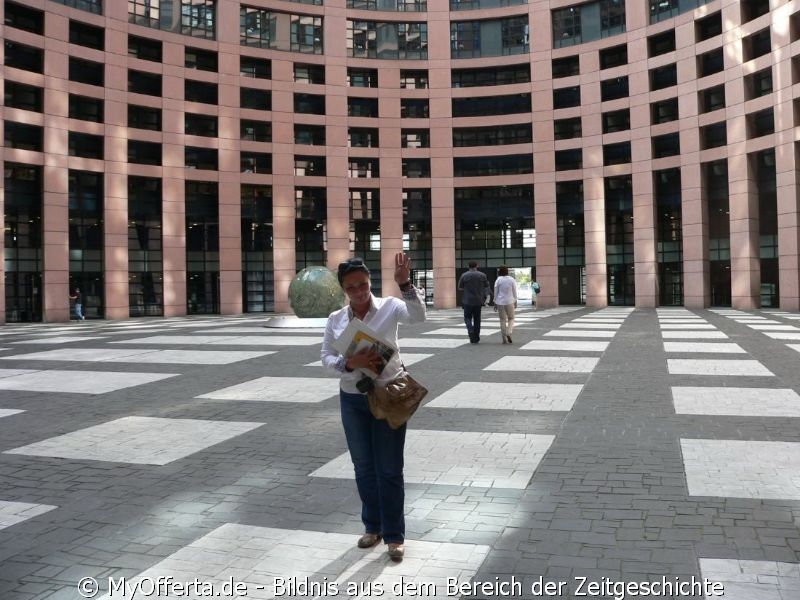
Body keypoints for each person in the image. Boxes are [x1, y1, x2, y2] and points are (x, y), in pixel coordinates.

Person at [321, 252, 426, 561]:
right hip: (352, 398)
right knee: (363, 466)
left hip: (387, 395)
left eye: (363, 284)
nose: (359, 291)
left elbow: (419, 317)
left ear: (370, 282)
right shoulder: (336, 319)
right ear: (344, 289)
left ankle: (395, 536)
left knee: (390, 468)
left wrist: (405, 283)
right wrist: (346, 362)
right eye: (352, 287)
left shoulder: (390, 307)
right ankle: (373, 527)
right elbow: (326, 356)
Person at [457, 261, 489, 343]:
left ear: (468, 266)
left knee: (467, 318)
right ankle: (476, 337)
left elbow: (460, 287)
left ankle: (470, 330)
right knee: (477, 319)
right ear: (477, 266)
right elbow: (486, 287)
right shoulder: (482, 275)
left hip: (467, 300)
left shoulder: (464, 275)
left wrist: (467, 289)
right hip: (478, 301)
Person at [493, 266, 518, 344]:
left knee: (502, 320)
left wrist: (495, 302)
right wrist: (515, 301)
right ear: (507, 271)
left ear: (499, 272)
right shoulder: (511, 279)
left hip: (500, 302)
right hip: (510, 301)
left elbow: (495, 292)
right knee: (511, 318)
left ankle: (504, 338)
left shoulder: (498, 280)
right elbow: (514, 291)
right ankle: (509, 332)